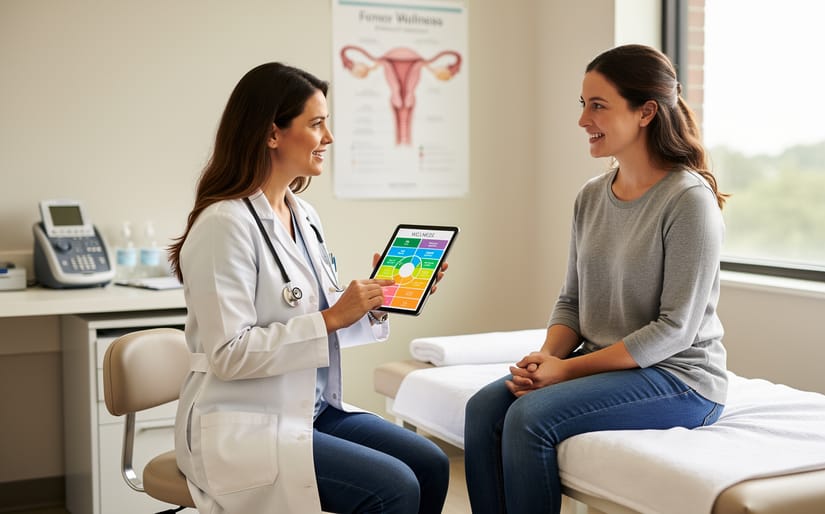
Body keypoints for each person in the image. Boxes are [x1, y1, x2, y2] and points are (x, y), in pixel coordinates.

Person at [168, 62, 449, 514]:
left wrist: (379, 300)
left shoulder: (305, 215)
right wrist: (333, 316)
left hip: (310, 409)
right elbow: (228, 353)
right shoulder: (223, 224)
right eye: (316, 124)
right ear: (272, 133)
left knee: (431, 464)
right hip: (247, 422)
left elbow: (318, 314)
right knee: (395, 487)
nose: (329, 138)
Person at [463, 44, 730, 514]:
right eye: (583, 105)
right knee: (484, 409)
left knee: (529, 417)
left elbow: (676, 329)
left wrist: (565, 371)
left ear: (646, 112)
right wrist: (544, 360)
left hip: (681, 378)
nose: (584, 119)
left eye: (598, 106)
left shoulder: (688, 200)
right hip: (607, 363)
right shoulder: (591, 196)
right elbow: (572, 300)